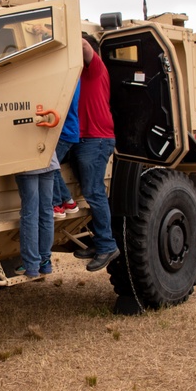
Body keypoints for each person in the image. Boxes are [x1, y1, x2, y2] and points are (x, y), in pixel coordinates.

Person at [72, 33, 120, 272]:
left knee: (94, 191)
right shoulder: (79, 74)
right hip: (83, 138)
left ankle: (107, 245)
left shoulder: (95, 68)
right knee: (87, 192)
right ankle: (97, 240)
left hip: (96, 138)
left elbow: (81, 44)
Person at [15, 149, 60, 277]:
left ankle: (31, 265)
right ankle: (45, 261)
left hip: (27, 161)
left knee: (30, 215)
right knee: (46, 213)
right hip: (48, 159)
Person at [53, 83, 81, 218]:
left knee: (50, 166)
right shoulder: (74, 77)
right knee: (53, 166)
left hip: (65, 132)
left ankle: (59, 202)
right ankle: (67, 202)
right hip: (69, 132)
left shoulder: (69, 79)